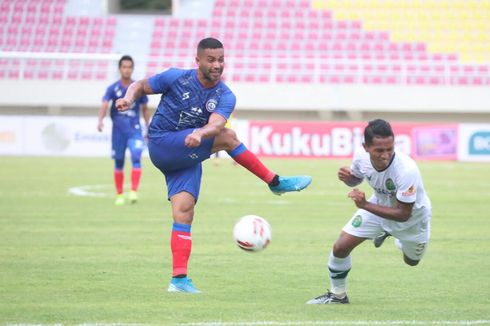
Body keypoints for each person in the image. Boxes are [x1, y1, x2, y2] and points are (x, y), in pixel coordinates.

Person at [115, 37, 312, 293]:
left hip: (188, 152)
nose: (217, 65)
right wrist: (129, 99)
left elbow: (218, 123)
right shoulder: (176, 77)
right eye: (211, 60)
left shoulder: (225, 94)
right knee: (229, 139)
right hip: (162, 144)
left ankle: (179, 279)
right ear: (197, 60)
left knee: (184, 211)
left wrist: (201, 134)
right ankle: (275, 182)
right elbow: (140, 85)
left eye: (221, 60)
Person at [307, 119, 431, 304]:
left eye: (389, 149)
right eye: (379, 150)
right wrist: (348, 179)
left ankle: (393, 236)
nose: (385, 155)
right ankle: (338, 295)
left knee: (411, 262)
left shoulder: (407, 170)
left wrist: (364, 205)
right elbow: (356, 179)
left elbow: (403, 214)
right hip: (378, 206)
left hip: (412, 219)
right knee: (340, 247)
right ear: (366, 147)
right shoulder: (360, 156)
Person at [97, 55, 151, 206]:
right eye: (124, 67)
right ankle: (119, 195)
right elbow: (104, 104)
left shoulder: (138, 88)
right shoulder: (113, 88)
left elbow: (145, 109)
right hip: (118, 132)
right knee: (119, 162)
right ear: (120, 69)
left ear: (132, 69)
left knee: (136, 157)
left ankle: (133, 192)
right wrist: (100, 120)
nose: (127, 70)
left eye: (129, 67)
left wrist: (148, 126)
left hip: (134, 130)